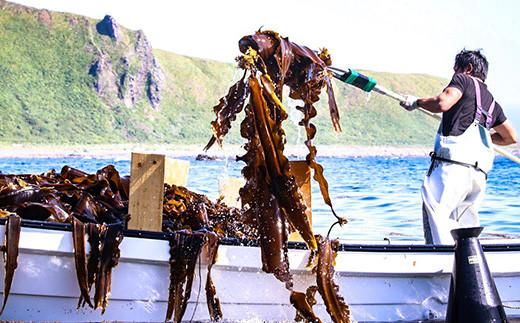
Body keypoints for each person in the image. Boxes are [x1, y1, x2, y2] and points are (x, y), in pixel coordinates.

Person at [400, 49, 518, 244]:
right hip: (477, 177)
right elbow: (510, 137)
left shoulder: (463, 80)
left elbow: (443, 103)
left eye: (456, 68)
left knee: (436, 217)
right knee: (464, 230)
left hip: (452, 171)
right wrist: (486, 137)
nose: (454, 72)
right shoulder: (492, 104)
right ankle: (467, 267)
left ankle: (438, 268)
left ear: (468, 69)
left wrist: (417, 102)